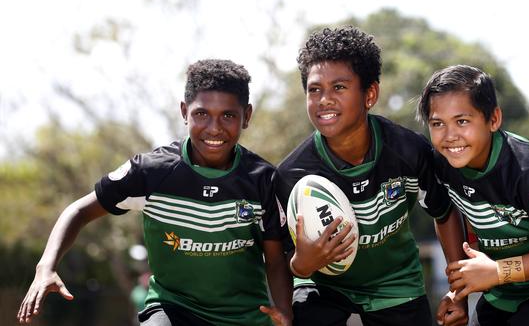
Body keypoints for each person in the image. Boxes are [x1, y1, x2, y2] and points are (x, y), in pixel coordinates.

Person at [17, 59, 293, 325]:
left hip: (243, 316)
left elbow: (275, 259)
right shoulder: (151, 173)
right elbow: (78, 211)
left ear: (247, 116)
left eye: (228, 116)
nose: (214, 128)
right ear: (184, 111)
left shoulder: (262, 179)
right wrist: (46, 267)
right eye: (201, 114)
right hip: (174, 310)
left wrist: (283, 311)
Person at [273, 26, 468, 326]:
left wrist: (458, 293)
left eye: (339, 87)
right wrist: (302, 263)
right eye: (315, 89)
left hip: (395, 283)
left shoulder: (408, 151)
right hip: (323, 286)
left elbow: (444, 214)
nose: (324, 99)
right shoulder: (292, 176)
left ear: (370, 94)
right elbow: (284, 259)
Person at [418, 64, 529, 325]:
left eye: (462, 121)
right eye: (437, 124)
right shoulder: (441, 164)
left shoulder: (528, 171)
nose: (450, 136)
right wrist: (459, 292)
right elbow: (445, 214)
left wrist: (500, 271)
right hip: (500, 292)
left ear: (493, 119)